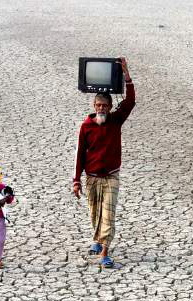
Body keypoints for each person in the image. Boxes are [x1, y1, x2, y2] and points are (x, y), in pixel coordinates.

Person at [72, 57, 135, 269]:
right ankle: (98, 240)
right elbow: (80, 153)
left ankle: (105, 251)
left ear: (110, 107)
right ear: (94, 105)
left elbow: (130, 102)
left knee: (108, 214)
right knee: (95, 212)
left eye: (105, 105)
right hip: (91, 177)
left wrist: (126, 75)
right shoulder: (86, 126)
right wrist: (76, 181)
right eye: (98, 105)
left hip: (111, 176)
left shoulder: (116, 120)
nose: (102, 108)